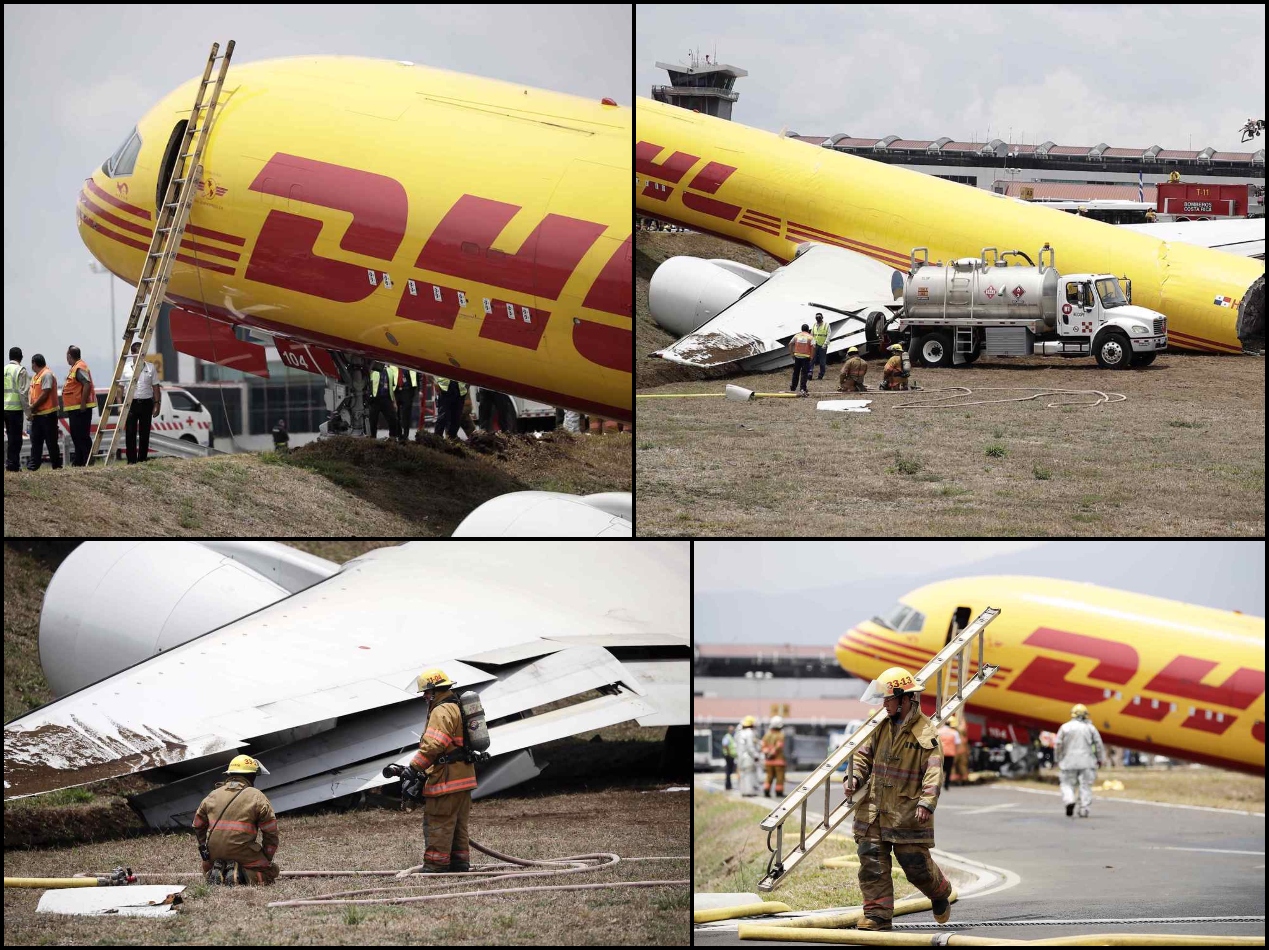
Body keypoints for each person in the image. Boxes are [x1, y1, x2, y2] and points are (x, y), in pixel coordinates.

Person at [844, 666, 954, 931]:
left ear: (905, 699)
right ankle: (878, 915)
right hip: (873, 810)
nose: (884, 705)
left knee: (914, 865)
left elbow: (934, 769)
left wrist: (927, 802)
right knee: (871, 861)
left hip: (906, 812)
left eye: (889, 699)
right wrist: (854, 777)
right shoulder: (879, 726)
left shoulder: (924, 732)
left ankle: (940, 891)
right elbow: (862, 755)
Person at [406, 668, 477, 872]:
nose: (425, 698)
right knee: (457, 826)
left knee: (438, 823)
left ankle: (436, 866)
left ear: (435, 691)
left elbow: (435, 744)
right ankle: (459, 864)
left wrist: (414, 768)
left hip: (447, 779)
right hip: (464, 778)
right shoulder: (456, 706)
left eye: (426, 693)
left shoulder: (441, 710)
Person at [193, 755, 280, 885]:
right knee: (271, 872)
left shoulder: (213, 795)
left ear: (230, 774)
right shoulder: (256, 796)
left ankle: (217, 870)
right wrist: (266, 859)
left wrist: (205, 853)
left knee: (207, 866)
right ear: (251, 776)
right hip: (243, 853)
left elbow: (197, 825)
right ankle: (239, 876)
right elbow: (271, 833)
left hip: (214, 854)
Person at [1055, 703, 1104, 818]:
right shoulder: (1090, 728)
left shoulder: (1065, 727)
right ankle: (1084, 809)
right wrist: (1100, 759)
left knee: (1066, 784)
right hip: (1087, 762)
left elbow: (1058, 744)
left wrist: (1057, 759)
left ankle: (1069, 800)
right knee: (1085, 785)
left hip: (1068, 761)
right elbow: (1098, 744)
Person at [121, 343, 160, 464]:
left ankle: (142, 459)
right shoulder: (125, 368)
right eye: (139, 353)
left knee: (144, 433)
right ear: (133, 354)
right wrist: (119, 404)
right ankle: (131, 460)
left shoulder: (151, 367)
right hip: (130, 404)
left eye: (143, 353)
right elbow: (120, 388)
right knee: (130, 432)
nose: (141, 356)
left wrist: (157, 404)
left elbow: (156, 387)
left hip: (146, 403)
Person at [26, 354, 62, 471]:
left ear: (34, 363)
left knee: (51, 443)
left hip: (48, 415)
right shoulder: (36, 377)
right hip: (38, 415)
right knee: (36, 443)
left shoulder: (46, 374)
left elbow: (45, 393)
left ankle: (56, 466)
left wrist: (32, 407)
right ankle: (33, 467)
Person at [62, 346, 95, 467]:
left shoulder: (79, 367)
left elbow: (87, 384)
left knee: (82, 435)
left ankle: (86, 460)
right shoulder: (75, 368)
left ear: (70, 356)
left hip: (80, 409)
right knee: (76, 435)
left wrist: (82, 404)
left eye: (67, 356)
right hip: (74, 408)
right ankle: (79, 461)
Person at [4, 347, 30, 472]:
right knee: (16, 439)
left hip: (5, 408)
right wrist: (28, 412)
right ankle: (13, 465)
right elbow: (23, 393)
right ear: (21, 358)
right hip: (15, 409)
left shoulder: (4, 370)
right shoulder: (21, 370)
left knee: (9, 437)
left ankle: (10, 463)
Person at [368, 362, 401, 440]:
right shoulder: (372, 370)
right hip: (374, 399)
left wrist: (394, 402)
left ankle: (392, 437)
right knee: (373, 421)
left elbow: (391, 388)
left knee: (393, 419)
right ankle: (372, 438)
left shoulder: (390, 371)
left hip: (386, 398)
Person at [761, 715, 787, 798]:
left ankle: (766, 790)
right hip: (778, 761)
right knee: (780, 777)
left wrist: (767, 753)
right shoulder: (780, 735)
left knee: (769, 776)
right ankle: (779, 792)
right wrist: (772, 752)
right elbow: (779, 746)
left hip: (768, 761)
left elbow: (763, 746)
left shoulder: (767, 735)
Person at [788, 324, 815, 395]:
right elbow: (813, 347)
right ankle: (803, 388)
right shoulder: (810, 337)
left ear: (801, 329)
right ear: (808, 329)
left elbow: (790, 344)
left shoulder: (797, 336)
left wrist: (792, 354)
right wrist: (812, 356)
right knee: (804, 374)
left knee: (796, 373)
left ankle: (793, 387)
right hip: (806, 357)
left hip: (797, 357)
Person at [736, 715, 760, 797]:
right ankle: (749, 792)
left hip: (740, 758)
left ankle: (743, 792)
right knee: (749, 775)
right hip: (748, 758)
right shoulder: (750, 733)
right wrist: (756, 756)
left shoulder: (740, 733)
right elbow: (750, 747)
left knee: (743, 775)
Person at [395, 367, 419, 442]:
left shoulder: (409, 366)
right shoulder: (392, 365)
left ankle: (405, 435)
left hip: (407, 391)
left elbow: (417, 376)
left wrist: (416, 390)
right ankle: (399, 434)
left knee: (406, 415)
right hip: (396, 391)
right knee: (396, 415)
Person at [938, 717, 958, 790]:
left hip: (941, 753)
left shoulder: (939, 731)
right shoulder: (954, 732)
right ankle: (946, 785)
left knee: (939, 769)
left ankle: (938, 784)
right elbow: (957, 743)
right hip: (950, 753)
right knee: (948, 770)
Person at [811, 313, 831, 380]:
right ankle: (810, 373)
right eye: (817, 317)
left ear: (822, 317)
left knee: (822, 361)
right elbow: (812, 335)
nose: (818, 318)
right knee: (812, 360)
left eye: (819, 317)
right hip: (815, 345)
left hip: (822, 346)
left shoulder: (826, 325)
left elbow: (828, 335)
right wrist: (813, 343)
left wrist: (825, 344)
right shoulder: (814, 325)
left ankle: (821, 375)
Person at [952, 716, 970, 784]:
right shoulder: (962, 735)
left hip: (955, 751)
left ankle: (953, 778)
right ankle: (964, 778)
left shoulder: (954, 733)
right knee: (962, 765)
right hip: (962, 751)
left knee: (952, 765)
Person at [721, 725, 737, 791]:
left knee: (730, 771)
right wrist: (729, 753)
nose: (732, 731)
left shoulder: (731, 737)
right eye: (731, 730)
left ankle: (729, 785)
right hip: (728, 755)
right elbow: (725, 745)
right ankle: (728, 785)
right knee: (728, 770)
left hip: (731, 756)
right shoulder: (727, 737)